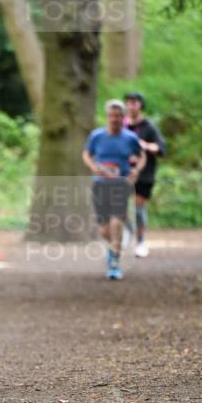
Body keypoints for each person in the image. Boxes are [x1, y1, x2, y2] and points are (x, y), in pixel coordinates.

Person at [82, 100, 145, 280]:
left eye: (118, 116)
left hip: (120, 184)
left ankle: (115, 261)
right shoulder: (97, 136)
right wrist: (93, 166)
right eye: (111, 116)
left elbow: (142, 157)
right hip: (100, 184)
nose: (114, 119)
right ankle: (113, 249)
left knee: (116, 221)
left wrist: (136, 171)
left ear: (123, 117)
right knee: (104, 230)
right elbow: (86, 153)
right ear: (107, 117)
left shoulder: (130, 138)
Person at [123, 92, 167, 258]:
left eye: (134, 103)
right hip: (123, 172)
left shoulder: (149, 127)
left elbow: (161, 148)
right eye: (128, 103)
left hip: (144, 173)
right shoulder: (121, 126)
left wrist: (145, 146)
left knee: (138, 209)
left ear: (141, 105)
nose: (131, 106)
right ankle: (128, 232)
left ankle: (140, 242)